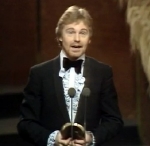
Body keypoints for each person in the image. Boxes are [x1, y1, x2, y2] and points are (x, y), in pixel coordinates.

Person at [17, 5, 123, 146]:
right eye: (71, 32)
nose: (77, 39)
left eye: (83, 33)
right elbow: (25, 123)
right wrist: (52, 139)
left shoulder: (102, 72)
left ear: (89, 39)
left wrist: (91, 138)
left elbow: (114, 121)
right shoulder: (39, 74)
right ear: (60, 37)